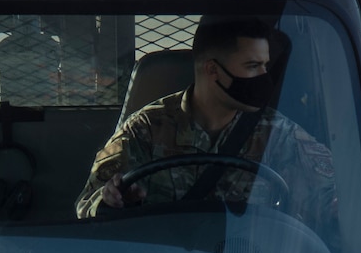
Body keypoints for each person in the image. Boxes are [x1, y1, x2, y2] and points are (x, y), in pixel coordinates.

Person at [75, 17, 336, 224]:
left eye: (265, 66)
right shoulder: (145, 130)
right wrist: (112, 201)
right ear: (213, 70)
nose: (264, 76)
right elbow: (87, 205)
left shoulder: (279, 135)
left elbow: (334, 202)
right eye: (252, 66)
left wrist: (337, 209)